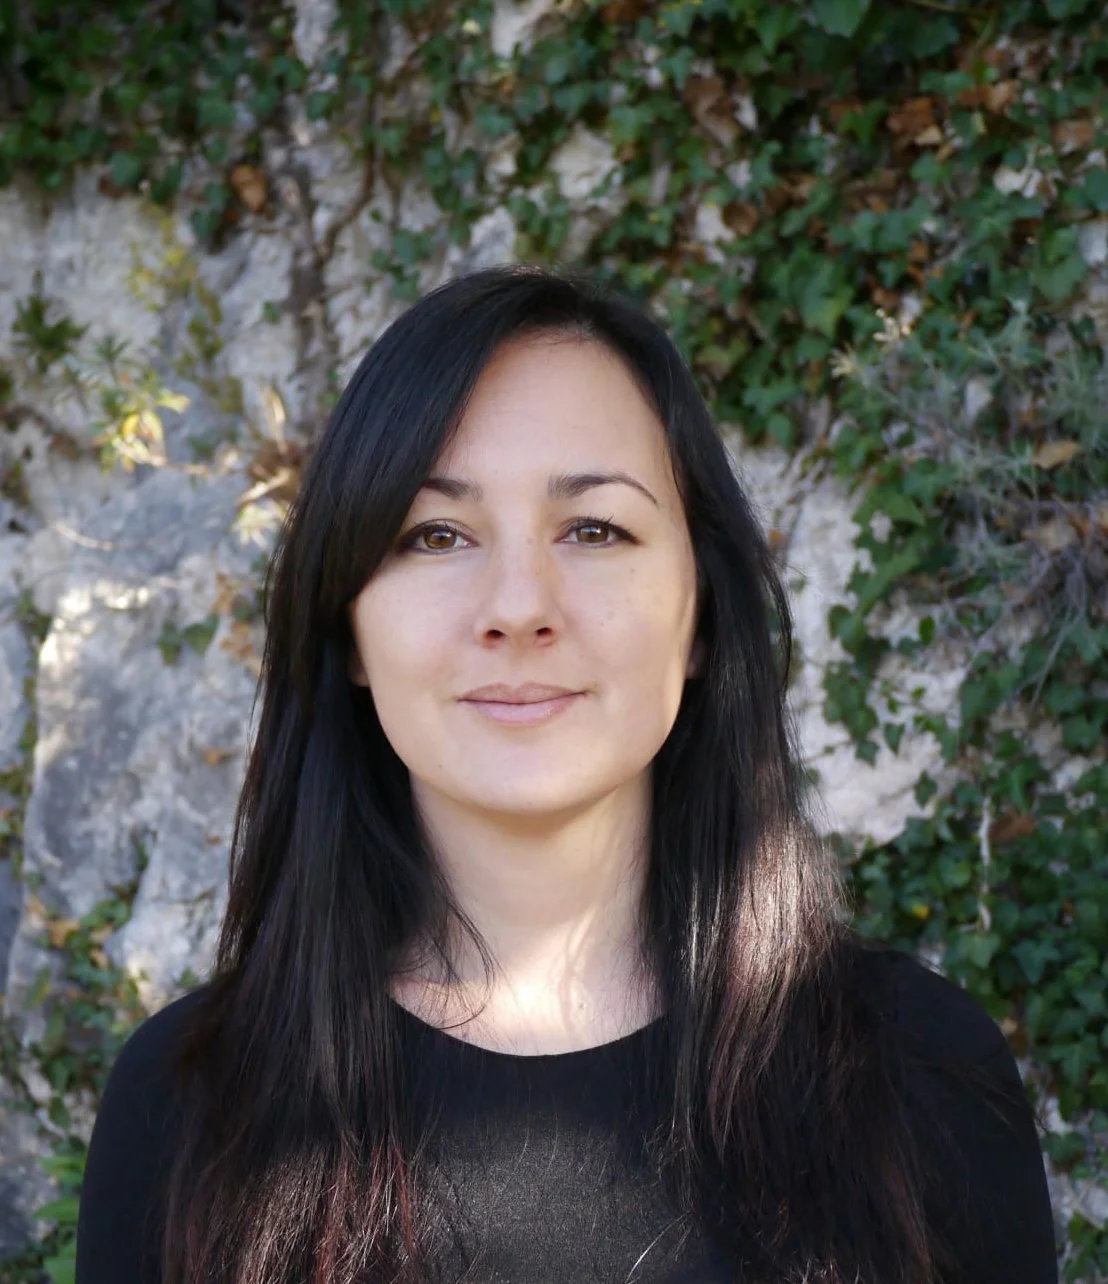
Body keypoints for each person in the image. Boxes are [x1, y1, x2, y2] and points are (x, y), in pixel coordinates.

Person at [74, 265, 1058, 1284]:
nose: (516, 605)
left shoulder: (919, 1076)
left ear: (701, 620)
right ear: (350, 630)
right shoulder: (187, 1108)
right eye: (434, 534)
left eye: (594, 529)